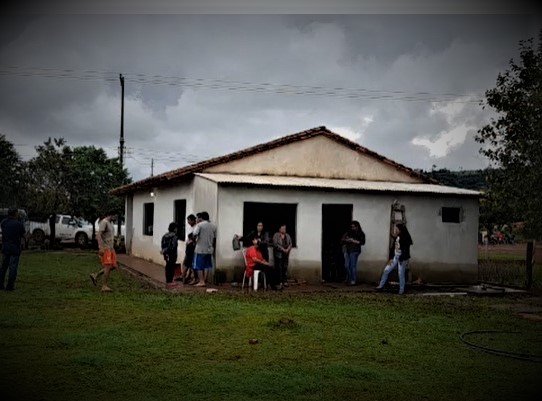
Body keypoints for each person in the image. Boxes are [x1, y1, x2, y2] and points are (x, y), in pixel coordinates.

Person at [375, 223, 413, 295]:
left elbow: (405, 250)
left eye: (397, 229)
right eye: (395, 229)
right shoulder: (397, 237)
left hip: (402, 258)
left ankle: (401, 290)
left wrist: (402, 259)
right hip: (395, 257)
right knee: (386, 270)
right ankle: (380, 286)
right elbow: (393, 249)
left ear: (400, 230)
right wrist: (391, 258)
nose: (395, 230)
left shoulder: (405, 238)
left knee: (400, 273)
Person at [90, 212, 118, 292]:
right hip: (106, 248)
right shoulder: (104, 222)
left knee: (113, 266)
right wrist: (101, 247)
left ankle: (96, 275)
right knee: (108, 266)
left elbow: (108, 235)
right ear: (111, 214)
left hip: (111, 248)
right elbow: (99, 235)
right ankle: (104, 286)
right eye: (115, 215)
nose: (116, 218)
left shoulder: (110, 223)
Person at [0, 208, 26, 291]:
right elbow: (23, 235)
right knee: (13, 267)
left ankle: (0, 284)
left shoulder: (3, 222)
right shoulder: (19, 224)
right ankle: (10, 286)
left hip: (5, 246)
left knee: (3, 267)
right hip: (15, 247)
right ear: (15, 214)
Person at [192, 211, 216, 287]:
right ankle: (205, 279)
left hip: (200, 249)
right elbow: (214, 238)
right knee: (206, 265)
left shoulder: (199, 225)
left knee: (198, 266)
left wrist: (194, 241)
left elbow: (194, 234)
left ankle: (201, 281)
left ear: (201, 218)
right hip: (209, 249)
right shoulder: (213, 226)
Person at [341, 220, 365, 285]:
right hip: (348, 250)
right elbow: (343, 239)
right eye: (351, 227)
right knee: (347, 266)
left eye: (354, 227)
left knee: (352, 266)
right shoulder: (350, 232)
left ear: (357, 226)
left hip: (355, 251)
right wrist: (347, 240)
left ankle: (353, 280)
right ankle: (349, 279)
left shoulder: (361, 233)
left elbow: (362, 242)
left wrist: (353, 241)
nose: (352, 228)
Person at [161, 222, 179, 288]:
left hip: (165, 253)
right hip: (172, 254)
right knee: (171, 267)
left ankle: (168, 280)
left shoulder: (164, 236)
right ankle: (170, 281)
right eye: (176, 228)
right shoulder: (174, 237)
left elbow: (162, 245)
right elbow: (173, 246)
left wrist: (164, 252)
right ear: (174, 229)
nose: (177, 229)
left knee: (167, 266)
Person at [181, 214, 197, 284]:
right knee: (187, 264)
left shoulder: (196, 228)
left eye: (189, 220)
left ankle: (185, 277)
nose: (188, 222)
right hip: (188, 248)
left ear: (193, 220)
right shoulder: (190, 228)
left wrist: (190, 242)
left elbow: (194, 238)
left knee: (187, 264)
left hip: (192, 248)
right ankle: (186, 276)